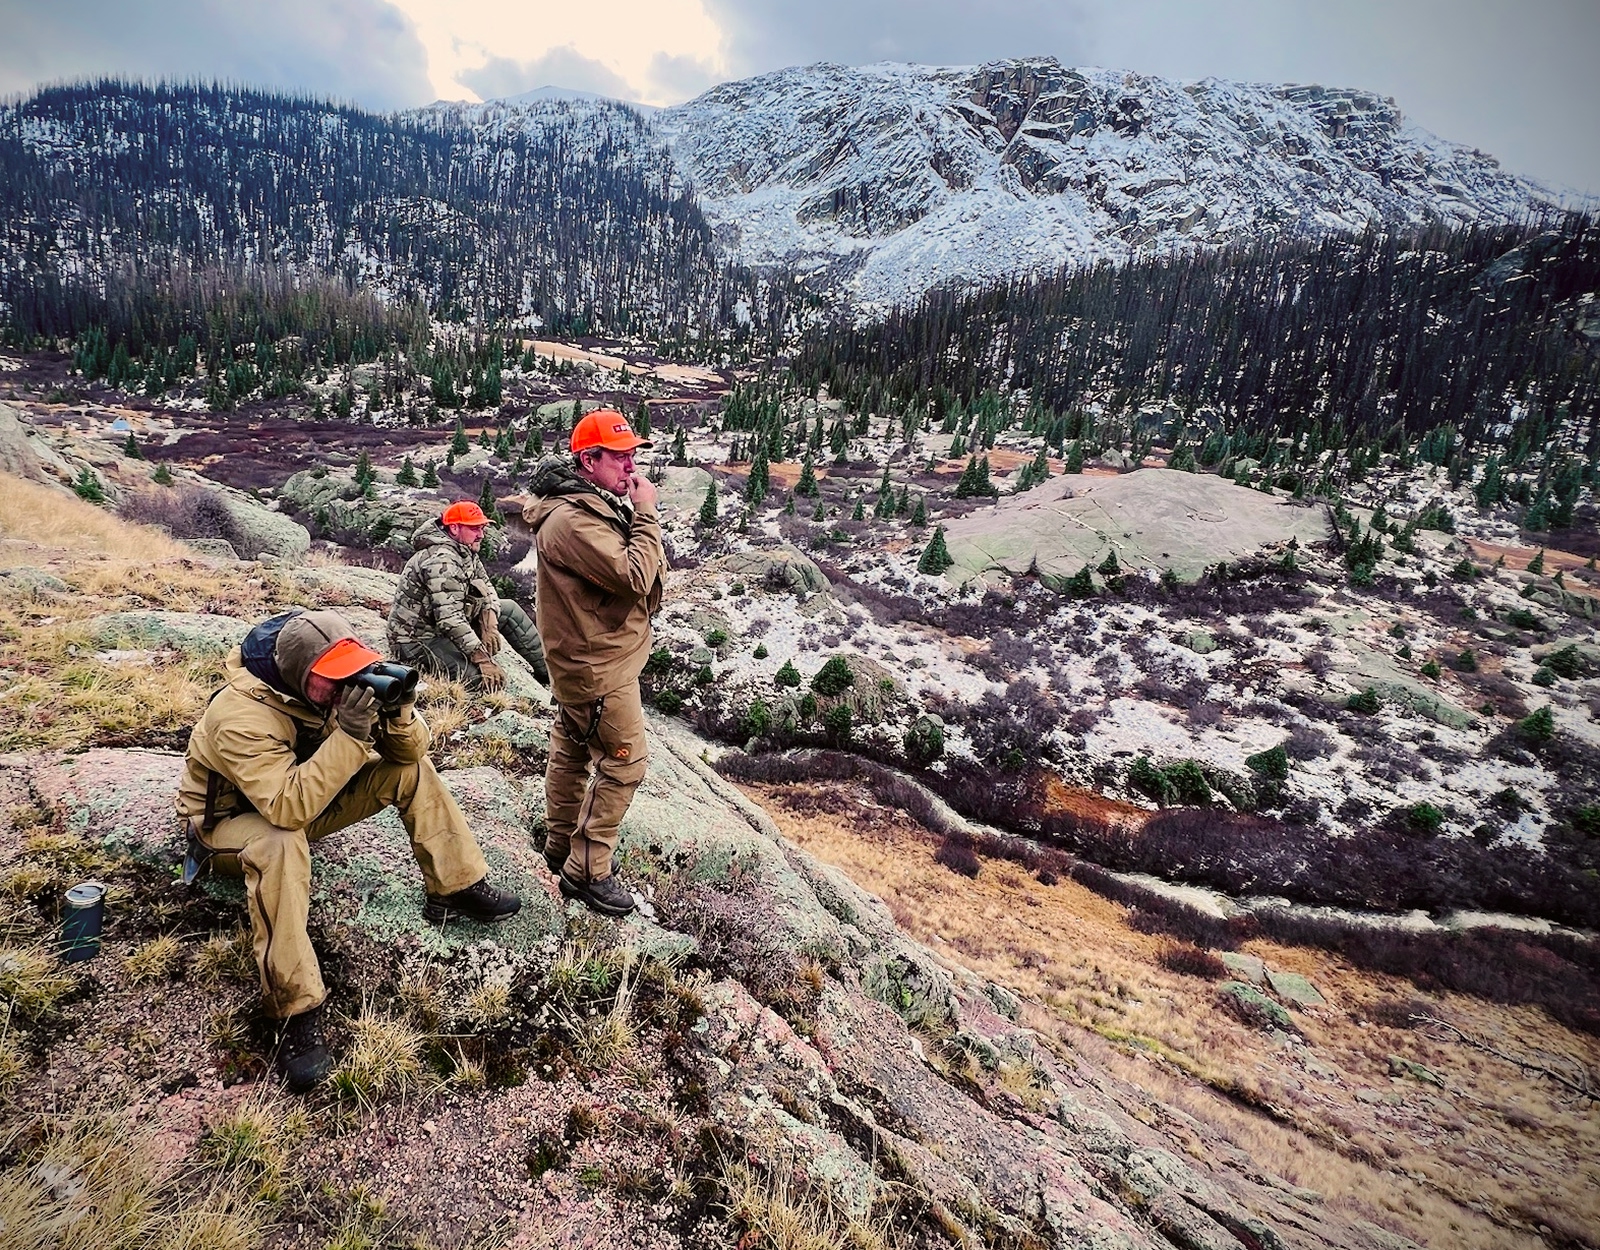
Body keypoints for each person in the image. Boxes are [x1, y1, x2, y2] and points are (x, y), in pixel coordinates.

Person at [176, 609, 521, 1091]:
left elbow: (410, 755)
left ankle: (455, 884)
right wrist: (351, 734)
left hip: (301, 799)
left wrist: (397, 713)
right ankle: (293, 1009)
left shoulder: (333, 690)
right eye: (332, 680)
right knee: (280, 843)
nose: (345, 687)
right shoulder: (240, 715)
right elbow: (285, 808)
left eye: (351, 671)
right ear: (299, 676)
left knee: (409, 774)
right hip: (227, 827)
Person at [523, 410, 665, 917]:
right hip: (599, 667)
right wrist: (647, 512)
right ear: (589, 459)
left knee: (571, 752)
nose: (632, 466)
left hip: (587, 659)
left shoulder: (589, 503)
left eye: (633, 454)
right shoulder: (572, 520)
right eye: (621, 456)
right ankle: (586, 871)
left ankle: (561, 848)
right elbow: (633, 575)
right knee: (626, 765)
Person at [388, 500, 548, 692]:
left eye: (481, 527)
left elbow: (487, 587)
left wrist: (490, 621)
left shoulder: (465, 550)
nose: (481, 534)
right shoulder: (442, 561)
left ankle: (548, 673)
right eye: (474, 528)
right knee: (484, 681)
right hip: (418, 640)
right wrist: (481, 657)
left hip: (442, 628)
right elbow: (449, 619)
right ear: (454, 528)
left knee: (509, 609)